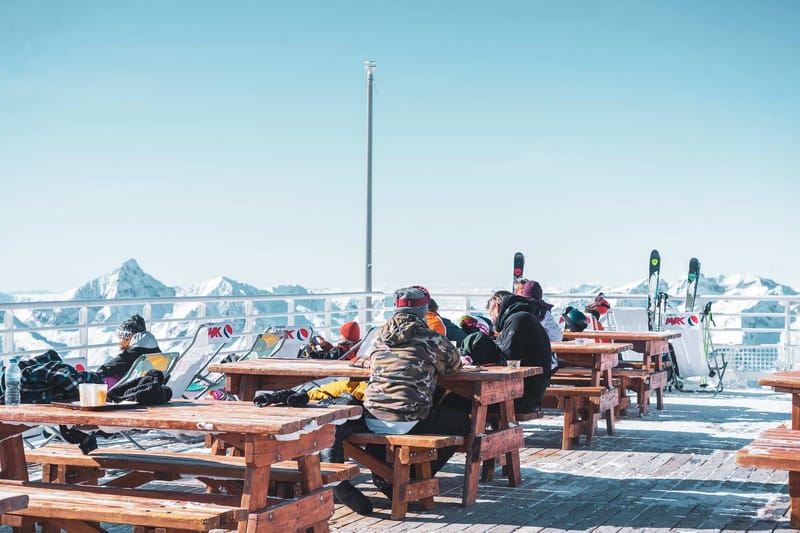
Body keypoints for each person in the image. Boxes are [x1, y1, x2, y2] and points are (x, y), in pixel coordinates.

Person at [354, 286, 469, 499]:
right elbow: (453, 367)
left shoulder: (378, 337)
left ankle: (388, 474)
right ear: (423, 310)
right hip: (409, 418)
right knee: (462, 422)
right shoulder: (431, 339)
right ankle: (415, 476)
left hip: (372, 416)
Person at [487, 290, 553, 413]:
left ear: (496, 306)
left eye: (491, 314)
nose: (492, 319)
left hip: (522, 397)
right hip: (529, 392)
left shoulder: (518, 320)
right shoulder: (524, 318)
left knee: (462, 399)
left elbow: (509, 361)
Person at [96, 314, 161, 388]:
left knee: (103, 380)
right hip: (152, 388)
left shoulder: (130, 355)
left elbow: (104, 371)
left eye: (123, 338)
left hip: (133, 390)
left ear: (130, 338)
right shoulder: (156, 352)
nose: (121, 342)